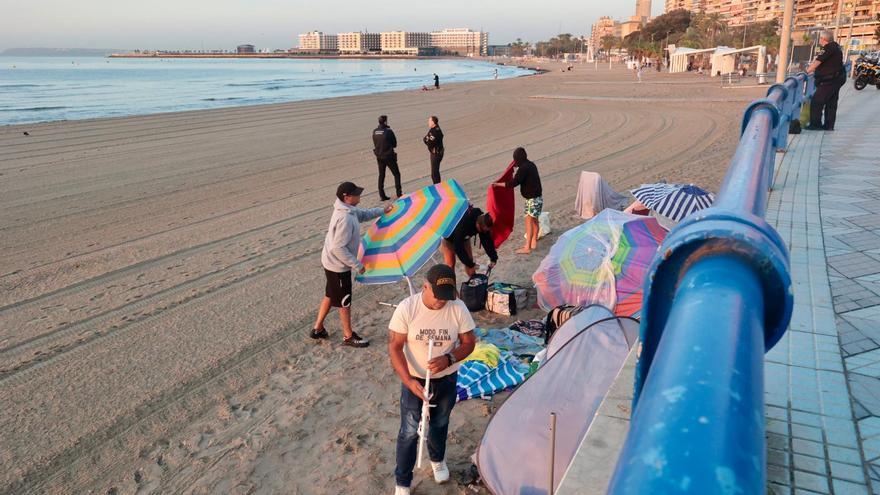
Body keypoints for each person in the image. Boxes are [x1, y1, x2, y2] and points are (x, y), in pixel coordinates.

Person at [388, 264, 477, 495]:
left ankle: (437, 460)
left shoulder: (457, 307)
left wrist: (449, 358)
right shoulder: (407, 308)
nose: (442, 301)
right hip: (415, 379)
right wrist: (409, 382)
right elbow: (395, 347)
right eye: (438, 296)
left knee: (440, 423)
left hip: (446, 379)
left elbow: (469, 342)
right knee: (409, 431)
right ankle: (402, 481)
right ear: (425, 287)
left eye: (447, 296)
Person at [313, 182, 392, 348]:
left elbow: (362, 215)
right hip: (337, 266)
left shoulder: (348, 209)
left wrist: (382, 211)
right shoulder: (345, 218)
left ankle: (318, 328)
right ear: (347, 197)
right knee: (345, 301)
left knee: (330, 294)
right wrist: (357, 265)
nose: (359, 196)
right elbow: (337, 248)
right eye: (356, 194)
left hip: (330, 261)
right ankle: (348, 336)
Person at [493, 147, 543, 254]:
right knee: (535, 221)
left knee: (529, 222)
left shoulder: (523, 168)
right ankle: (534, 241)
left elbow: (513, 183)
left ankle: (527, 247)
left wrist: (497, 184)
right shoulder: (531, 164)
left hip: (532, 200)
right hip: (538, 198)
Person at [440, 206, 497, 277]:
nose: (484, 232)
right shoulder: (463, 226)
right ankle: (450, 283)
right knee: (450, 264)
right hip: (449, 238)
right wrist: (471, 264)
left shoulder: (483, 221)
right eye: (482, 230)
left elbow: (486, 240)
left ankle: (473, 280)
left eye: (485, 230)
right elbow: (458, 248)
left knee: (470, 260)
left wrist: (493, 258)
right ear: (477, 224)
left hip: (465, 237)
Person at [806, 30, 845, 131]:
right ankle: (829, 126)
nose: (819, 40)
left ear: (823, 39)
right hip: (836, 78)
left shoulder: (828, 48)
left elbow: (818, 61)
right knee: (831, 103)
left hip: (829, 80)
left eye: (820, 38)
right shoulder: (836, 46)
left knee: (816, 101)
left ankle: (815, 125)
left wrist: (807, 71)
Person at [373, 115, 403, 200]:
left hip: (379, 156)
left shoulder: (375, 131)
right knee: (396, 174)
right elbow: (394, 144)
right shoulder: (388, 131)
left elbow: (375, 143)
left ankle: (382, 195)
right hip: (388, 156)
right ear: (385, 122)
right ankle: (399, 193)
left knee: (381, 175)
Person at [423, 116, 444, 184]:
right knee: (435, 172)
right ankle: (437, 185)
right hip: (435, 152)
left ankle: (437, 186)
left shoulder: (435, 131)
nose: (428, 122)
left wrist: (428, 141)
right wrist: (427, 141)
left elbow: (430, 143)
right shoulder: (433, 129)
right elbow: (425, 139)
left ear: (433, 122)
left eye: (429, 121)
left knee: (434, 173)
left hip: (436, 153)